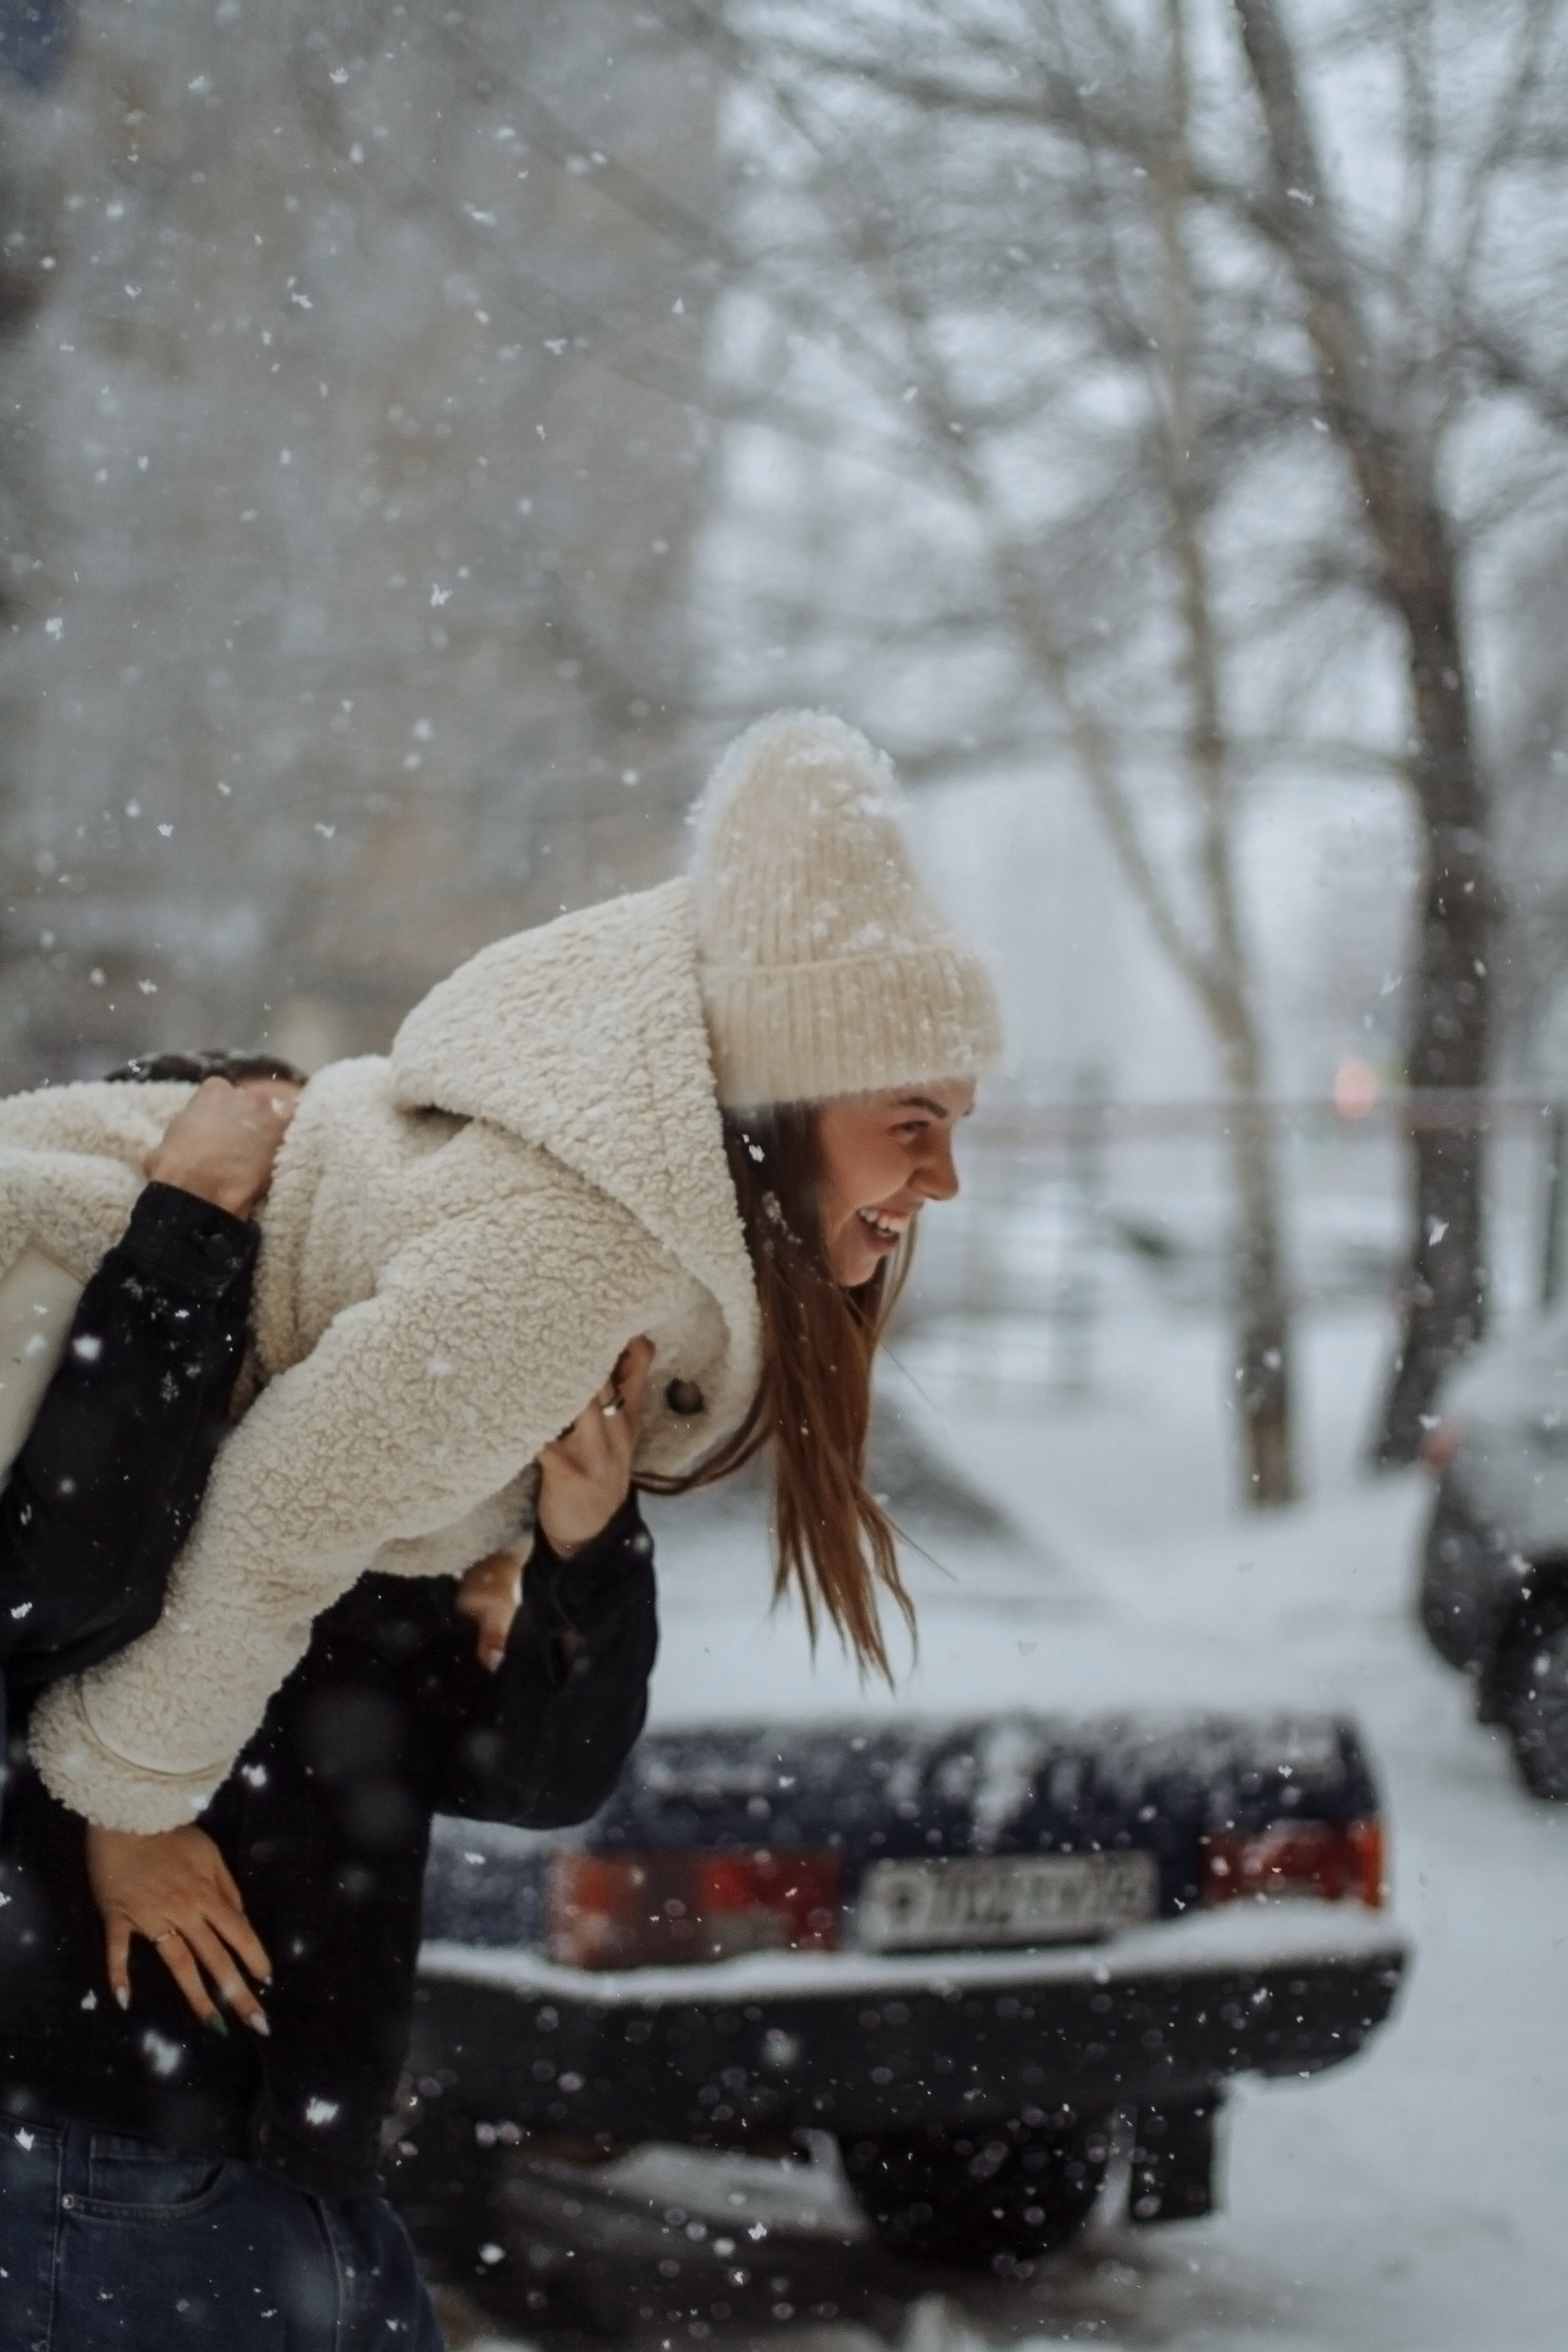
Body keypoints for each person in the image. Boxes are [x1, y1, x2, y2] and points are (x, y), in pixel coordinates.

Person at [8, 710, 999, 1842]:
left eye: (961, 1122)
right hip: (43, 1300)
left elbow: (531, 1763)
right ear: (781, 1111)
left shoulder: (639, 1259)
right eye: (913, 1122)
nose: (946, 1179)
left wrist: (547, 1545)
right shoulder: (577, 1262)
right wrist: (133, 1800)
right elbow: (283, 1515)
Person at [0, 1064, 662, 2348]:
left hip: (304, 2171)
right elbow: (58, 1588)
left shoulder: (352, 1524)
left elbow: (534, 1779)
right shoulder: (69, 1427)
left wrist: (589, 1546)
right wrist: (187, 1224)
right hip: (91, 2153)